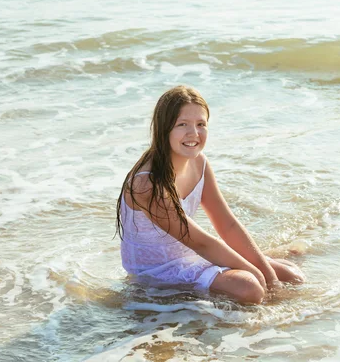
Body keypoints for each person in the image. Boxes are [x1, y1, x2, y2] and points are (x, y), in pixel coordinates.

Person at [115, 85, 304, 305]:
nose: (193, 134)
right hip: (158, 272)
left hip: (191, 254)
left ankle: (257, 266)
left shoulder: (199, 162)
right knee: (250, 286)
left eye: (201, 124)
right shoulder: (147, 184)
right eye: (182, 124)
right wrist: (261, 275)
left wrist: (266, 272)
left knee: (292, 275)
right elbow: (201, 243)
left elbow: (227, 225)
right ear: (163, 128)